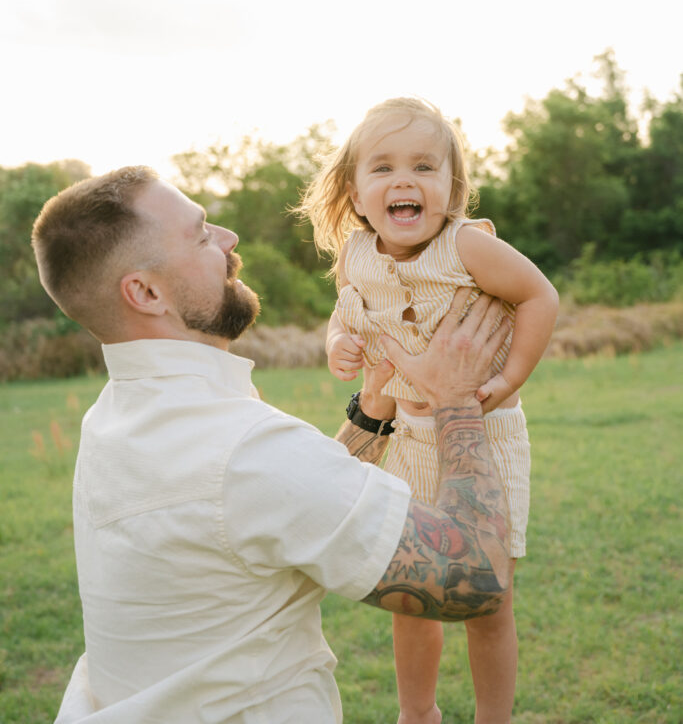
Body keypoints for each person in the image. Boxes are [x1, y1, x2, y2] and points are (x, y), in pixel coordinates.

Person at [31, 165, 513, 724]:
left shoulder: (113, 420)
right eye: (202, 233)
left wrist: (374, 411)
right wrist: (455, 399)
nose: (229, 240)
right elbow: (478, 579)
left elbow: (278, 505)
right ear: (145, 291)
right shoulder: (240, 451)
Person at [299, 96, 559, 724]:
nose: (404, 180)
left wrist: (511, 376)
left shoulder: (467, 247)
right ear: (357, 195)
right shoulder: (358, 255)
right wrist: (340, 342)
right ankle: (418, 714)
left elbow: (539, 296)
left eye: (424, 166)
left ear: (451, 188)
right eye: (382, 168)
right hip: (409, 439)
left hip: (484, 435)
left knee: (487, 600)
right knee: (414, 597)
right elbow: (347, 307)